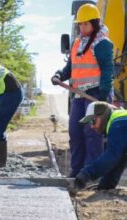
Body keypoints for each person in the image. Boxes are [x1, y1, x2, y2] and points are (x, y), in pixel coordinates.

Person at [51, 3, 114, 177]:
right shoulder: (77, 42)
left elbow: (108, 70)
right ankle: (76, 170)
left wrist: (102, 97)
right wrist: (59, 75)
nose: (82, 27)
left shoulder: (102, 43)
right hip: (79, 95)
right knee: (75, 132)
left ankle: (91, 174)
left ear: (95, 23)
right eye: (80, 24)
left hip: (95, 95)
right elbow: (70, 67)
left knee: (92, 134)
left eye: (86, 23)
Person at [73, 101, 127, 192]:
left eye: (92, 121)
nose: (92, 126)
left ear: (102, 116)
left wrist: (86, 174)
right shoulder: (116, 123)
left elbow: (112, 156)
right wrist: (105, 186)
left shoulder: (119, 123)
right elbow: (118, 158)